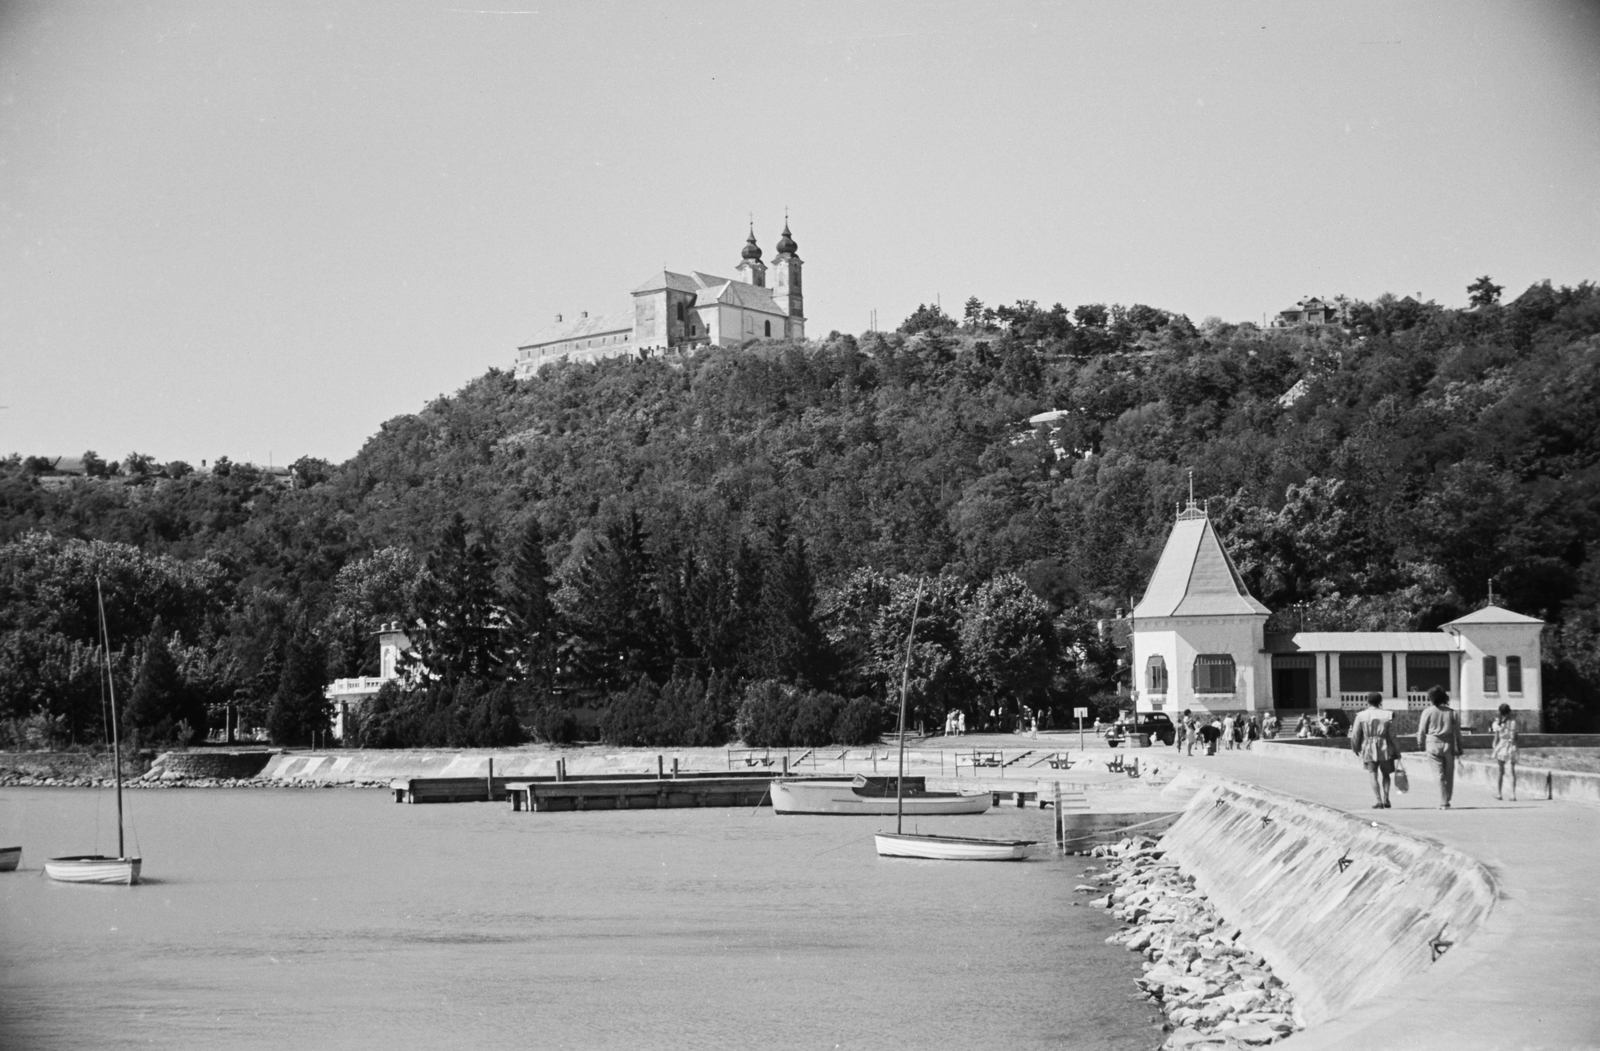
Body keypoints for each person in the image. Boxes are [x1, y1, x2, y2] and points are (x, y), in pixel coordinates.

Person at [1349, 692, 1400, 809]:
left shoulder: (1361, 716)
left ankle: (1379, 801)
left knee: (1373, 774)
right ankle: (1386, 798)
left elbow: (1355, 734)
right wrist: (1397, 750)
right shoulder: (1389, 714)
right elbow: (1392, 735)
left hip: (1368, 747)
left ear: (1368, 701)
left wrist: (1355, 748)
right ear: (1380, 701)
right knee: (1386, 774)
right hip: (1385, 747)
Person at [1415, 686, 1462, 809]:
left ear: (1432, 699)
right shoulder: (1452, 713)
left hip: (1432, 745)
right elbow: (1458, 732)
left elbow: (1421, 731)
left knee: (1439, 774)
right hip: (1449, 745)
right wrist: (1460, 746)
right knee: (1449, 774)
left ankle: (1443, 801)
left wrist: (1420, 743)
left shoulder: (1428, 712)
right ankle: (1447, 797)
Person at [1490, 703, 1519, 801]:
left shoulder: (1497, 723)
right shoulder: (1513, 722)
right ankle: (1513, 794)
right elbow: (1516, 737)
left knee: (1500, 770)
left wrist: (1494, 746)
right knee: (1512, 771)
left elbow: (1496, 737)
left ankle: (1499, 793)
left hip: (1502, 746)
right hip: (1511, 746)